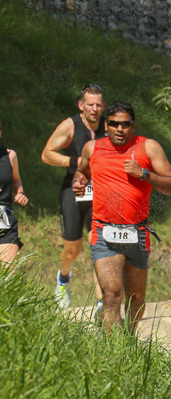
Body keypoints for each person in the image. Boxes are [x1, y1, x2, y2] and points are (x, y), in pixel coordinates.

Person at [72, 102, 171, 333]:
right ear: (106, 125)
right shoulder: (92, 148)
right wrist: (78, 182)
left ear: (133, 125)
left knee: (136, 300)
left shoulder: (148, 147)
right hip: (103, 231)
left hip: (137, 233)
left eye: (125, 124)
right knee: (111, 294)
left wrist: (144, 173)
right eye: (114, 124)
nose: (120, 129)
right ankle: (112, 351)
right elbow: (82, 172)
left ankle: (128, 339)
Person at [41, 84, 106, 311]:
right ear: (81, 105)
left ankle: (101, 301)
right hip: (73, 189)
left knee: (98, 244)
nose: (95, 109)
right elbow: (46, 154)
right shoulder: (71, 125)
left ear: (103, 106)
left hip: (100, 192)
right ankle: (63, 278)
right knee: (72, 249)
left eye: (99, 105)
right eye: (90, 104)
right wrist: (75, 162)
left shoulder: (109, 127)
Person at [0, 119, 30, 265]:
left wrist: (20, 192)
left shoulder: (10, 155)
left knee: (6, 274)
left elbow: (16, 180)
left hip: (4, 221)